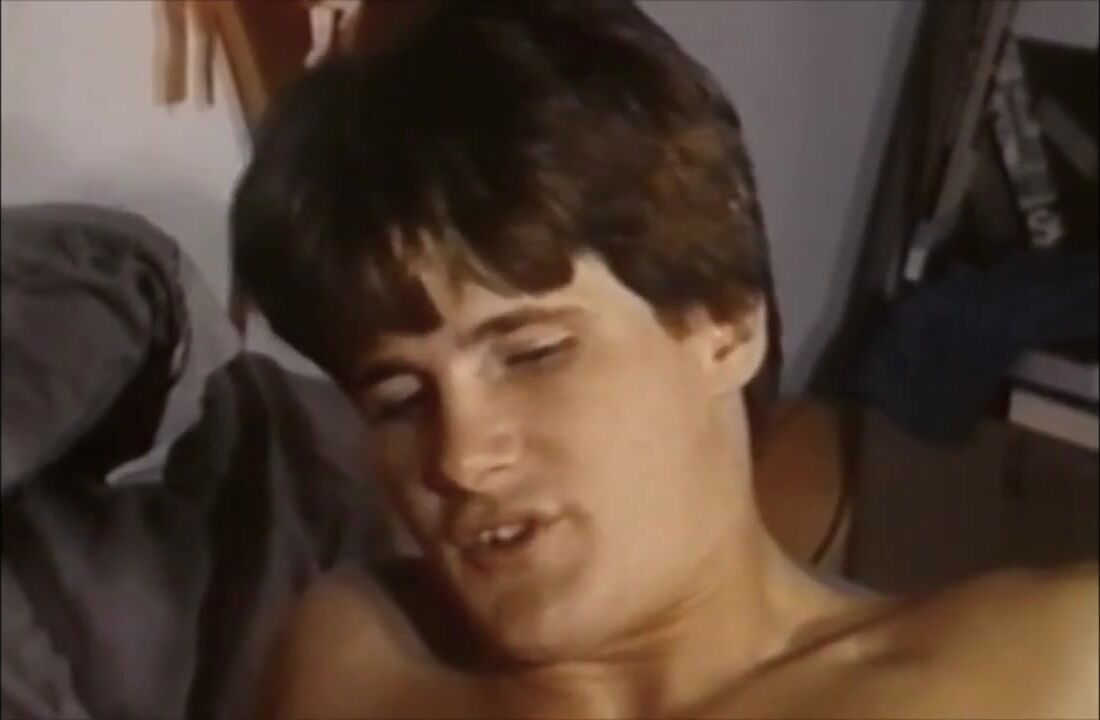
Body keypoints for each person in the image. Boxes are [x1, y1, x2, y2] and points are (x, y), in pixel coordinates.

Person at [231, 2, 1099, 717]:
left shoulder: (1038, 671)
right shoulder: (359, 657)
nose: (459, 458)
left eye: (532, 354)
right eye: (399, 400)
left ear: (725, 325)